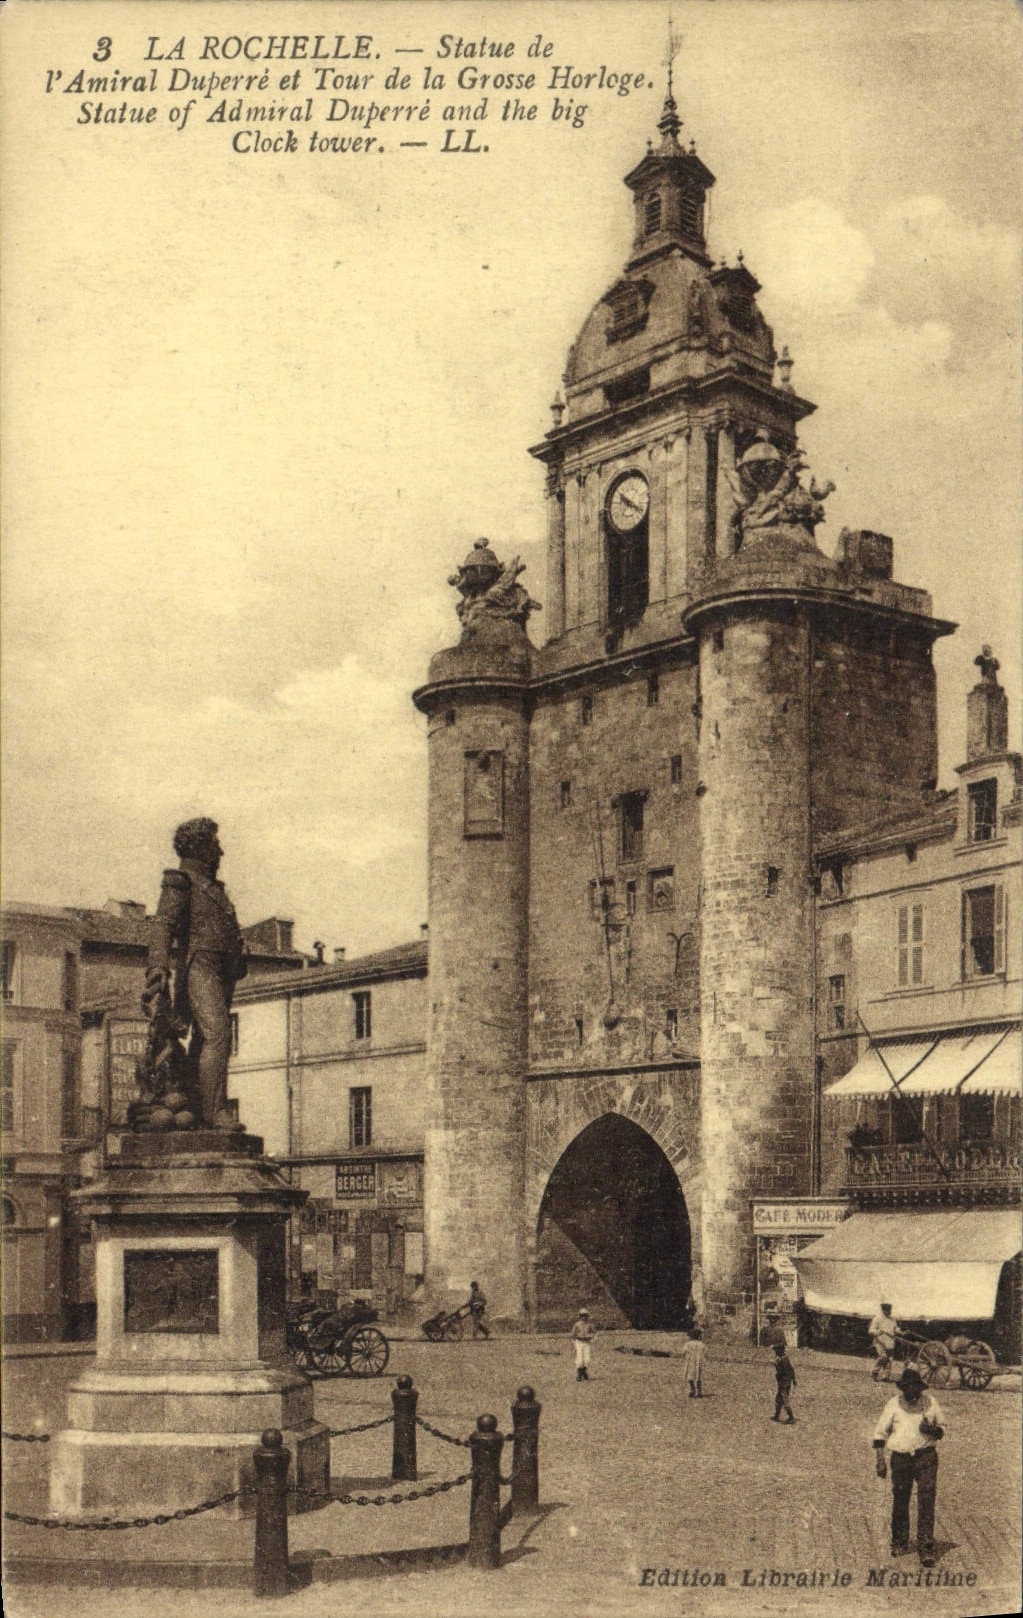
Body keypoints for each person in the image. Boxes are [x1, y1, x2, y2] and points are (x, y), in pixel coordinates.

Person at [146, 817, 247, 1130]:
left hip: (221, 968)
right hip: (199, 965)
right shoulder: (181, 881)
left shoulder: (212, 888)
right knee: (218, 1034)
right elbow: (163, 924)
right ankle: (215, 1112)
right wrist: (158, 966)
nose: (221, 851)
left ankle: (198, 1109)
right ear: (201, 847)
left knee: (205, 1040)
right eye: (215, 845)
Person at [872, 1366, 945, 1566]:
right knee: (901, 1499)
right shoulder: (893, 1405)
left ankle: (926, 1547)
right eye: (907, 1389)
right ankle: (899, 1541)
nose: (911, 1393)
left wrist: (932, 1429)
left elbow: (942, 1429)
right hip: (901, 1459)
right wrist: (880, 1460)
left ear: (920, 1389)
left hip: (926, 1457)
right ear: (903, 1388)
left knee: (926, 1500)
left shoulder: (931, 1403)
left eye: (915, 1389)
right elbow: (880, 1433)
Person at [868, 1301, 899, 1382]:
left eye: (890, 1310)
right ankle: (874, 1373)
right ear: (883, 1310)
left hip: (890, 1342)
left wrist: (900, 1331)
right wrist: (878, 1332)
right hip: (880, 1342)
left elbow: (896, 1328)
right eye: (888, 1310)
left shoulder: (892, 1319)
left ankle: (886, 1376)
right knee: (883, 1357)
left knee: (889, 1359)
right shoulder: (877, 1319)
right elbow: (871, 1330)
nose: (890, 1311)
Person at [771, 1341, 797, 1423]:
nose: (775, 1352)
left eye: (776, 1351)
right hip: (785, 1382)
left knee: (784, 1400)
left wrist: (776, 1366)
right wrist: (794, 1380)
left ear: (780, 1351)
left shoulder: (783, 1360)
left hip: (784, 1383)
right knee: (779, 1399)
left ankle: (791, 1417)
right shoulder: (785, 1359)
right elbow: (791, 1370)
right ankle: (776, 1415)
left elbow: (782, 1372)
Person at [571, 1307, 596, 1381]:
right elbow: (573, 1334)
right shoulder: (577, 1325)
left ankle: (583, 1372)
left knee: (587, 1359)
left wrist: (592, 1339)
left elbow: (594, 1333)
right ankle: (579, 1375)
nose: (583, 1317)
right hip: (579, 1342)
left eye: (585, 1316)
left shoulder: (590, 1325)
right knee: (579, 1358)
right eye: (582, 1316)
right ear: (580, 1316)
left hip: (587, 1342)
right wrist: (574, 1344)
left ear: (587, 1316)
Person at [682, 1327, 705, 1398]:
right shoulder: (701, 1344)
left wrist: (686, 1356)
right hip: (698, 1361)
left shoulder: (688, 1344)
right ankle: (699, 1391)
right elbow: (704, 1352)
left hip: (690, 1361)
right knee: (698, 1376)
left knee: (690, 1376)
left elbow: (684, 1352)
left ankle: (692, 1389)